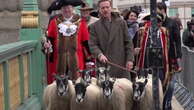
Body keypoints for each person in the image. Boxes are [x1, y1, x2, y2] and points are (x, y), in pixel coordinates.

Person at [89, 0, 134, 79]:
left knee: (124, 90)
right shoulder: (94, 26)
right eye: (102, 8)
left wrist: (130, 59)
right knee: (105, 90)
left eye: (107, 7)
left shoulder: (121, 23)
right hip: (104, 66)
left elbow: (128, 43)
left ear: (111, 8)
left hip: (121, 64)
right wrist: (99, 54)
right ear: (99, 10)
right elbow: (92, 44)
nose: (105, 10)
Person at [44, 0, 83, 84]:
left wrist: (88, 59)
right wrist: (47, 46)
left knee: (76, 86)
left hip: (76, 60)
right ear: (61, 10)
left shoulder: (80, 22)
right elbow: (49, 40)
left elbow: (85, 41)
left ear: (72, 8)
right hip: (59, 61)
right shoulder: (54, 22)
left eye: (68, 7)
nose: (66, 10)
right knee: (60, 86)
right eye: (64, 8)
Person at [157, 2, 182, 110]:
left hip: (171, 57)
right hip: (158, 59)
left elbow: (177, 40)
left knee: (171, 84)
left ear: (163, 10)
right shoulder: (154, 23)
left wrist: (179, 56)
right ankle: (162, 102)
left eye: (157, 10)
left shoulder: (172, 23)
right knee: (160, 82)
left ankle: (167, 102)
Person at [77, 2, 98, 76]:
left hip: (93, 47)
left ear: (89, 11)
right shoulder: (77, 22)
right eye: (83, 10)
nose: (85, 12)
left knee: (93, 71)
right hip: (81, 49)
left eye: (86, 10)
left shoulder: (96, 21)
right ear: (80, 12)